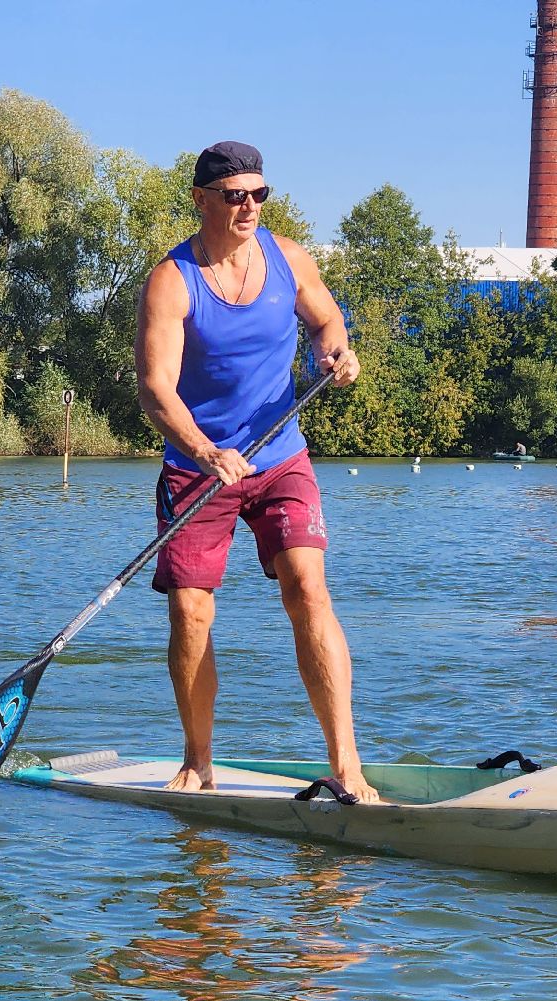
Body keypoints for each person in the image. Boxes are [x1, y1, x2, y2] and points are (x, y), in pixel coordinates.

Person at [134, 140, 378, 803]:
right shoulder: (172, 281)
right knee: (191, 612)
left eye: (259, 195)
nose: (250, 207)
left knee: (307, 587)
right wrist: (206, 450)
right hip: (198, 468)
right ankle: (198, 760)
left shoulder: (288, 257)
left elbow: (327, 318)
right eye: (235, 195)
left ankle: (347, 766)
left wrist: (338, 351)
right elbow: (156, 389)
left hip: (278, 458)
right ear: (201, 199)